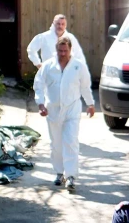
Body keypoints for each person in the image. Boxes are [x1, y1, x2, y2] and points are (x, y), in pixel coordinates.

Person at [33, 36, 95, 191]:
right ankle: (59, 173)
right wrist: (40, 104)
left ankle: (71, 176)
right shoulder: (48, 66)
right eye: (60, 50)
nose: (62, 53)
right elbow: (38, 85)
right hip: (52, 110)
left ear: (70, 50)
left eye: (65, 50)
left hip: (72, 109)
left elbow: (85, 86)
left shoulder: (78, 66)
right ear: (56, 50)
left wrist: (90, 104)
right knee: (56, 144)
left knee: (70, 141)